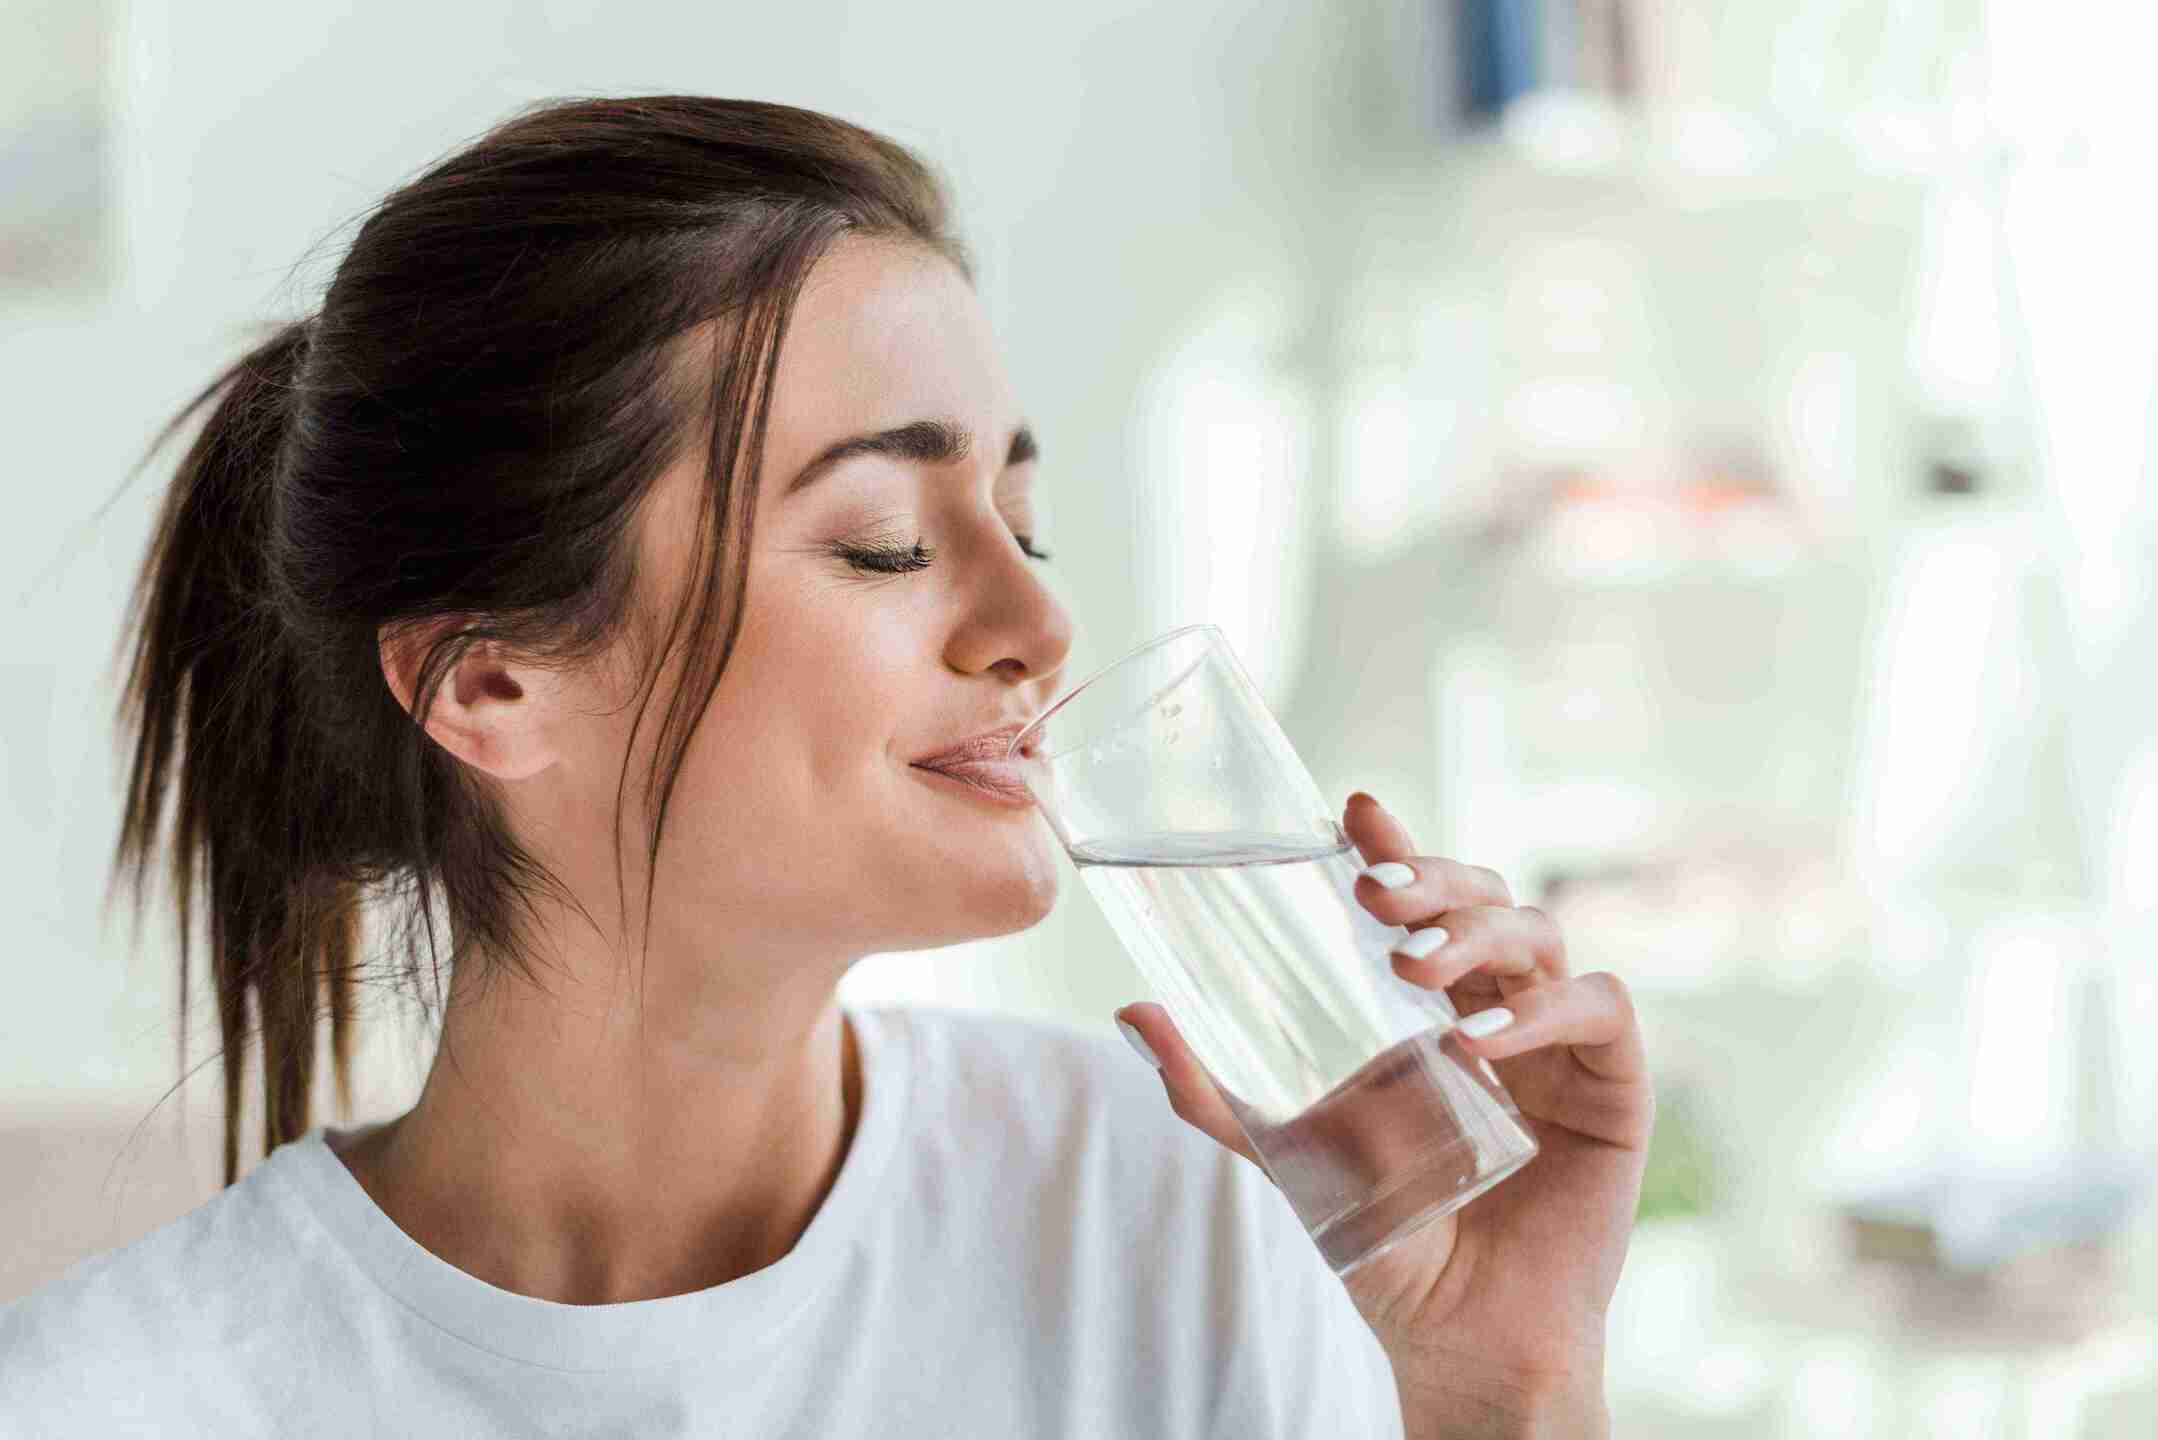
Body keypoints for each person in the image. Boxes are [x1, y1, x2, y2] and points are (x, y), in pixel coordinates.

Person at [0, 95, 1650, 1438]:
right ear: (492, 683)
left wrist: (1492, 1382)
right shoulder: (120, 1400)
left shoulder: (1192, 1215)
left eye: (1020, 519)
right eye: (880, 542)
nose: (1037, 617)